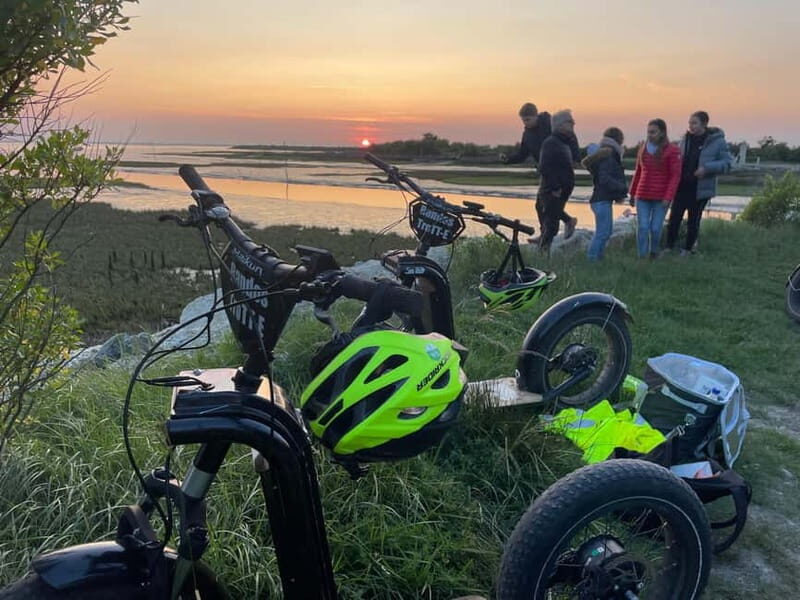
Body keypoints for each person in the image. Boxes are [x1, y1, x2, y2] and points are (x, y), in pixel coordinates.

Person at [502, 103, 578, 242]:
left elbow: (569, 138)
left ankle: (552, 233)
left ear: (536, 116)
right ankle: (549, 231)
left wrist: (572, 157)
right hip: (545, 172)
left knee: (550, 205)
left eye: (528, 119)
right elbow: (522, 154)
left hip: (558, 171)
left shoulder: (550, 124)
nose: (526, 123)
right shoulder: (527, 134)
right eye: (523, 120)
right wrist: (508, 159)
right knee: (542, 205)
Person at [666, 111, 732, 255]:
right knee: (674, 218)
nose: (691, 126)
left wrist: (706, 168)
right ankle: (668, 247)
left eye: (694, 123)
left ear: (704, 124)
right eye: (690, 123)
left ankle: (688, 250)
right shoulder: (685, 139)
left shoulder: (717, 141)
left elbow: (727, 164)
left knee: (693, 220)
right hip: (682, 186)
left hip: (700, 188)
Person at [629, 118, 681, 258]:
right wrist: (632, 193)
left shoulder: (672, 150)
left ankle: (654, 252)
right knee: (643, 227)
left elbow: (675, 176)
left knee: (656, 228)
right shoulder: (643, 149)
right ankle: (642, 257)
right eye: (648, 132)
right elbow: (638, 172)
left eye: (653, 132)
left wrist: (668, 197)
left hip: (661, 197)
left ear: (662, 133)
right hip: (643, 195)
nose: (650, 135)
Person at [582, 127, 628, 261]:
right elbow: (604, 178)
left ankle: (598, 258)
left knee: (605, 232)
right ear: (618, 140)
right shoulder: (609, 156)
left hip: (600, 200)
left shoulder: (605, 154)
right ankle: (592, 259)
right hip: (601, 200)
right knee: (602, 233)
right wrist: (623, 188)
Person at [537, 109, 579, 251]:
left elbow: (574, 160)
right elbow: (544, 167)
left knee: (552, 219)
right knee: (551, 224)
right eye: (570, 122)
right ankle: (543, 255)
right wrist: (555, 187)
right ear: (560, 125)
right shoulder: (551, 143)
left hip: (563, 189)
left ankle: (568, 222)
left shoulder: (566, 142)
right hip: (553, 189)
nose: (573, 123)